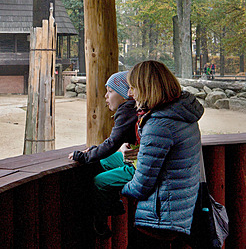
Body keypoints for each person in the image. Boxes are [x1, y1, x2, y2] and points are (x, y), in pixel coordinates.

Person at [122, 60, 204, 248]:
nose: (129, 94)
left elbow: (141, 186)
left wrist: (119, 188)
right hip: (179, 214)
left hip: (158, 219)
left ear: (146, 88)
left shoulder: (159, 125)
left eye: (133, 87)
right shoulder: (182, 114)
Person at [68, 71, 138, 238]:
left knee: (99, 181)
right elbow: (113, 144)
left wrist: (85, 156)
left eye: (110, 91)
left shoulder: (127, 110)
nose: (106, 96)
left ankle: (100, 223)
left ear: (124, 93)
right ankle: (113, 203)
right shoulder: (131, 109)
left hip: (137, 165)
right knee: (105, 161)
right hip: (133, 157)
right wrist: (94, 150)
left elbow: (112, 143)